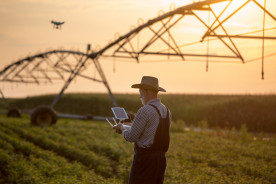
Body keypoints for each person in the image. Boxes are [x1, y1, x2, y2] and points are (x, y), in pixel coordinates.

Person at [113, 76, 171, 184]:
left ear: (145, 91)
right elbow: (150, 130)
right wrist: (131, 125)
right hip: (160, 162)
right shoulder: (166, 110)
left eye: (140, 91)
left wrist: (121, 128)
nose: (139, 95)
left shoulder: (145, 110)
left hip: (145, 161)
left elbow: (131, 137)